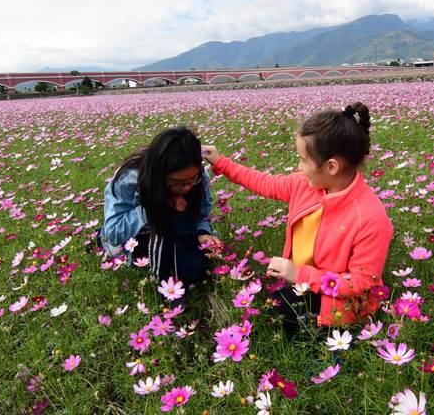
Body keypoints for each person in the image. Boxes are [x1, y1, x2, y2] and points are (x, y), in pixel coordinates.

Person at [202, 102, 393, 336]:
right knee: (270, 304)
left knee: (284, 316)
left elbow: (360, 284)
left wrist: (299, 274)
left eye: (303, 159)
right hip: (301, 280)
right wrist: (222, 163)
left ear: (331, 166)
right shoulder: (305, 184)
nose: (298, 166)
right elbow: (265, 183)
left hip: (338, 302)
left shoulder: (370, 217)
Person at [100, 126, 221, 285]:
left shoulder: (198, 175)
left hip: (179, 232)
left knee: (195, 269)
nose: (187, 188)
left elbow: (201, 215)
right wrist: (155, 206)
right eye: (176, 183)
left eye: (192, 180)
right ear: (158, 175)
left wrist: (202, 232)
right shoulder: (129, 179)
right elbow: (113, 233)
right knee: (173, 269)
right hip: (140, 236)